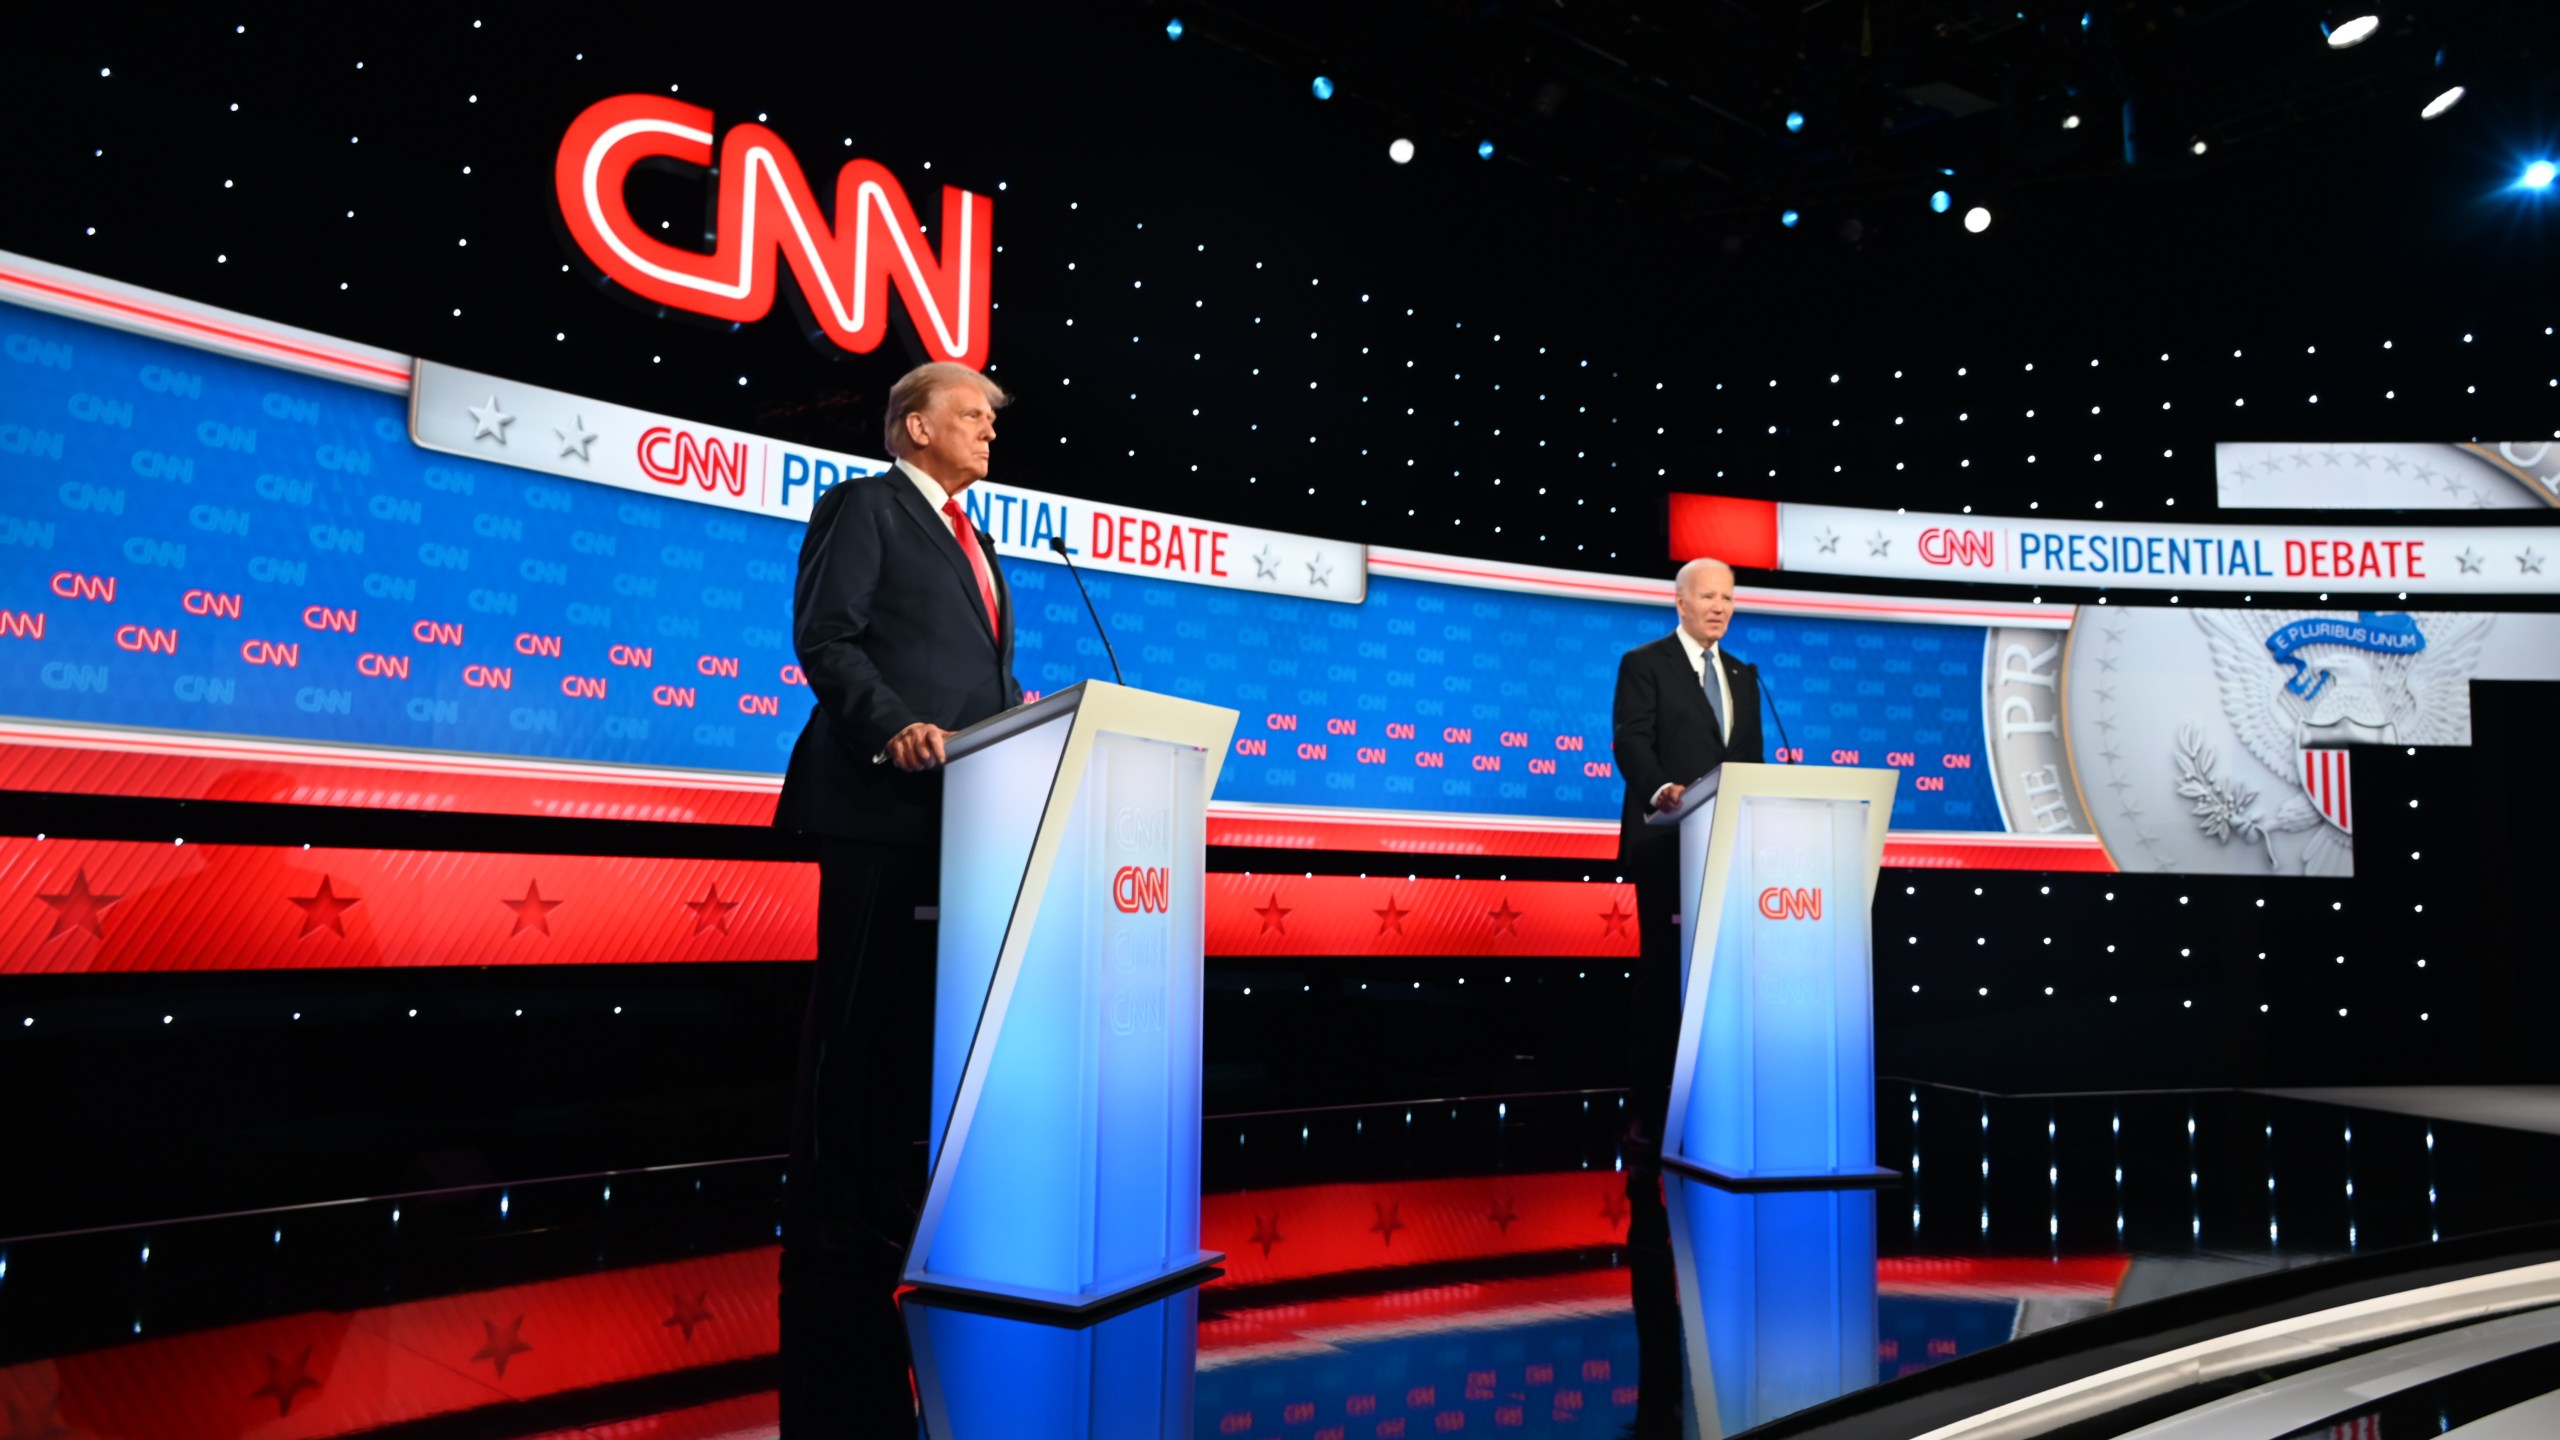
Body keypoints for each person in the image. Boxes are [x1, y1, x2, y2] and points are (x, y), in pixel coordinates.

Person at [776, 361, 1022, 1273]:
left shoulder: (978, 542)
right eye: (971, 415)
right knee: (857, 1014)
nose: (988, 429)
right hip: (875, 797)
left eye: (990, 419)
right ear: (916, 427)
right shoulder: (865, 507)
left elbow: (977, 675)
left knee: (917, 1020)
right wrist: (894, 728)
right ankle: (829, 1215)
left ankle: (893, 1199)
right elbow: (826, 637)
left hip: (960, 812)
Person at [1610, 557, 1764, 1153]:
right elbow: (1630, 740)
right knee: (1664, 975)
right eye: (1709, 597)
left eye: (1728, 597)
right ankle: (1650, 1110)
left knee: (1725, 977)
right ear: (1681, 602)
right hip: (1666, 842)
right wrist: (1660, 788)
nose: (1720, 607)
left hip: (1728, 847)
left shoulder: (1744, 675)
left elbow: (1747, 759)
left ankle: (1718, 1106)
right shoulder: (1645, 664)